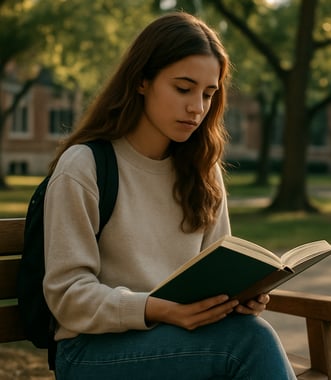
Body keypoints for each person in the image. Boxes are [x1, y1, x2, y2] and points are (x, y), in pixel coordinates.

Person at [43, 11, 296, 380]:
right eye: (183, 88)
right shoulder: (85, 166)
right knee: (247, 345)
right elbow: (67, 297)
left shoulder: (202, 169)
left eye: (208, 94)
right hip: (92, 351)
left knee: (246, 336)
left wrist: (242, 298)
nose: (196, 107)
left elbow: (219, 266)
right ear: (143, 81)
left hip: (184, 341)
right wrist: (157, 309)